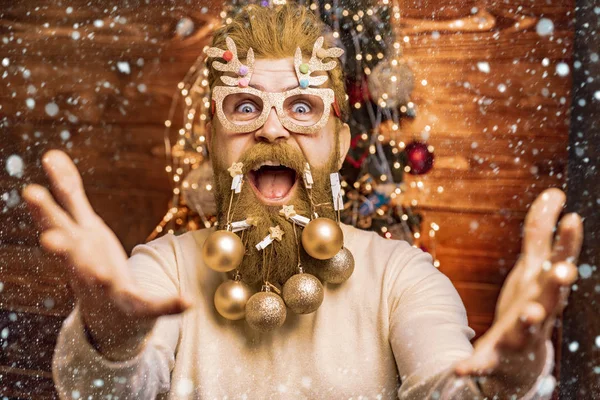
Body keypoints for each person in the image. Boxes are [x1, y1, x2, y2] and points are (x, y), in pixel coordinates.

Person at [22, 4, 583, 399]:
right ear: (212, 141)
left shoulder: (401, 277)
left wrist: (509, 377)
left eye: (301, 107)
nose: (271, 131)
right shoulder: (162, 270)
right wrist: (110, 337)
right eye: (243, 107)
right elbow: (108, 394)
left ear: (338, 143)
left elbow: (449, 387)